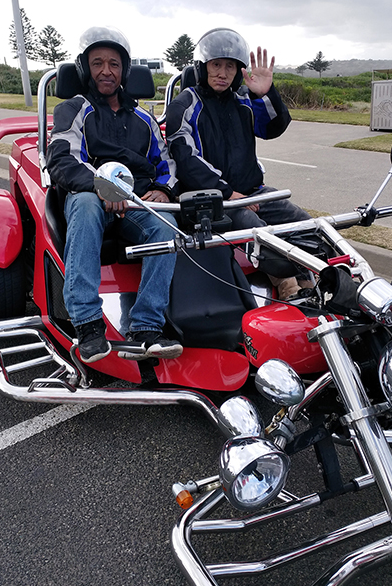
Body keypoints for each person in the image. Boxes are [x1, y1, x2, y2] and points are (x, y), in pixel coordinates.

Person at [47, 26, 182, 363]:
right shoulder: (73, 109)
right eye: (97, 63)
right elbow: (62, 160)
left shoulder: (143, 118)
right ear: (84, 69)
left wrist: (162, 190)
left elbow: (165, 162)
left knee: (166, 225)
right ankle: (88, 325)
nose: (106, 71)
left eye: (114, 64)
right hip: (89, 194)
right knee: (89, 206)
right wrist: (105, 186)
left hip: (134, 201)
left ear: (124, 70)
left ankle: (147, 326)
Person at [165, 27, 313, 300]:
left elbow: (272, 127)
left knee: (304, 224)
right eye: (216, 65)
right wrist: (229, 194)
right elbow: (186, 160)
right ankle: (290, 290)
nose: (222, 73)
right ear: (202, 67)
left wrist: (266, 94)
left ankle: (315, 284)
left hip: (252, 192)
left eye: (230, 66)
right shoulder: (185, 105)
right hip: (209, 199)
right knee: (258, 229)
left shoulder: (244, 100)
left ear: (238, 71)